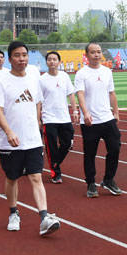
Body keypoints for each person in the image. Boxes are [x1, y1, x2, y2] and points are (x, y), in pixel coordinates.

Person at [0, 41, 61, 235]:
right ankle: (13, 213)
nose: (21, 58)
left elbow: (37, 102)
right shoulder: (2, 82)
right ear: (9, 58)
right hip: (11, 141)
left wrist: (37, 121)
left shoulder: (33, 78)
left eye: (24, 55)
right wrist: (9, 131)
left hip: (32, 138)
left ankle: (44, 217)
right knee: (12, 177)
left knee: (36, 176)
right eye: (17, 55)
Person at [74, 43, 122, 198]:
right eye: (93, 52)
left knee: (115, 148)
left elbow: (112, 92)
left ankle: (108, 179)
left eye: (99, 52)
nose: (96, 55)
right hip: (90, 121)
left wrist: (116, 112)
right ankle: (90, 183)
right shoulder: (82, 73)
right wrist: (85, 113)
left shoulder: (107, 71)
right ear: (87, 55)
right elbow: (80, 94)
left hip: (107, 118)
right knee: (90, 153)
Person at [39, 51, 77, 184]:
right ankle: (56, 173)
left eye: (55, 59)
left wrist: (75, 111)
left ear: (59, 62)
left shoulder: (64, 76)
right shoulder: (42, 79)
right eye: (49, 59)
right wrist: (38, 118)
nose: (52, 62)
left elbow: (71, 94)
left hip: (64, 117)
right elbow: (39, 100)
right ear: (47, 62)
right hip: (49, 118)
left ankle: (55, 163)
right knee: (51, 146)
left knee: (67, 143)